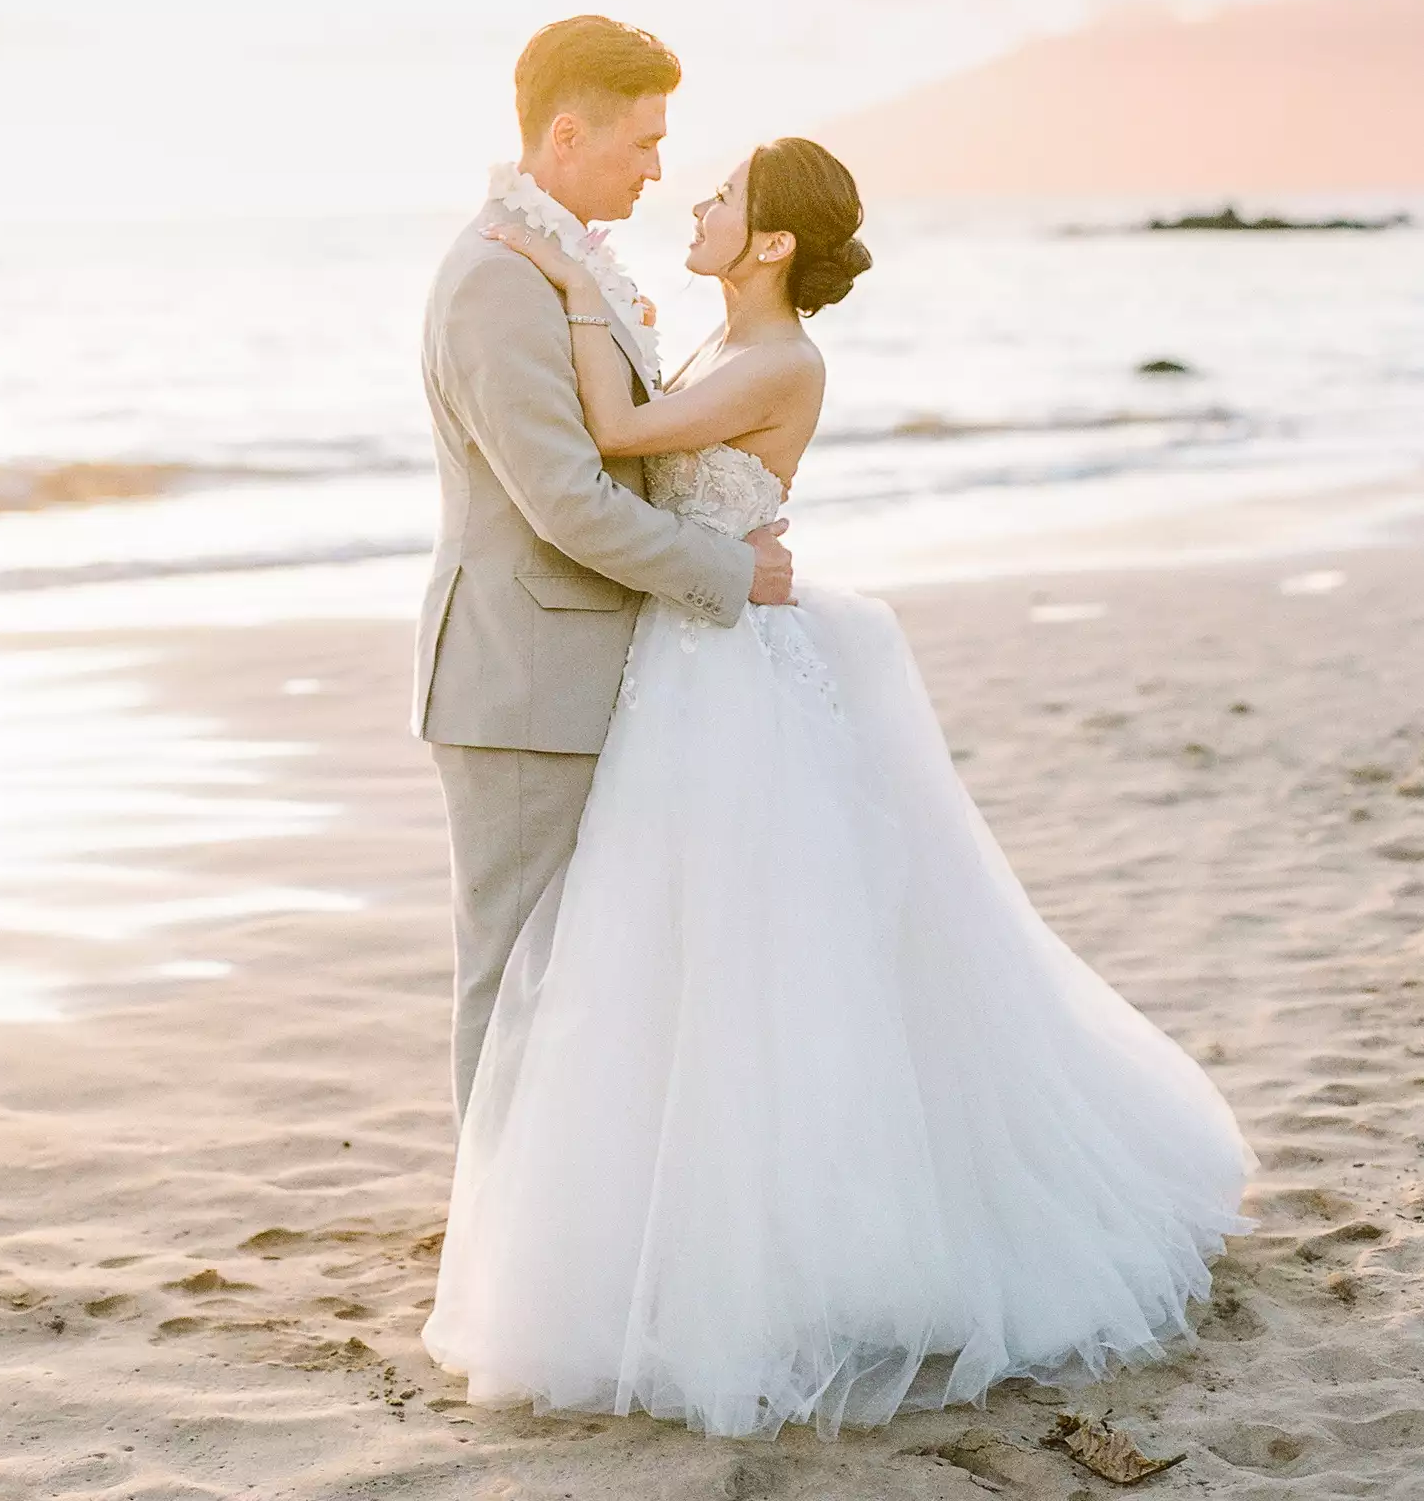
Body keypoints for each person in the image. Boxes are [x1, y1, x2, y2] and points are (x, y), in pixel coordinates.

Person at [420, 131, 1261, 1440]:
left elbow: (619, 432)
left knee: (758, 967)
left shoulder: (779, 357)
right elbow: (651, 447)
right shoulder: (727, 342)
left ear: (770, 244)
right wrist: (605, 296)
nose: (695, 199)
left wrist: (574, 281)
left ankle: (761, 1242)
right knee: (680, 963)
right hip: (688, 662)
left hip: (723, 676)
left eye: (724, 197)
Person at [411, 15, 795, 1122]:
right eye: (642, 142)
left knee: (574, 969)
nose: (659, 169)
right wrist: (730, 569)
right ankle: (493, 1241)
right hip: (521, 678)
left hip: (573, 667)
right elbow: (566, 501)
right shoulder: (497, 279)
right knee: (516, 970)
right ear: (567, 134)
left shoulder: (557, 263)